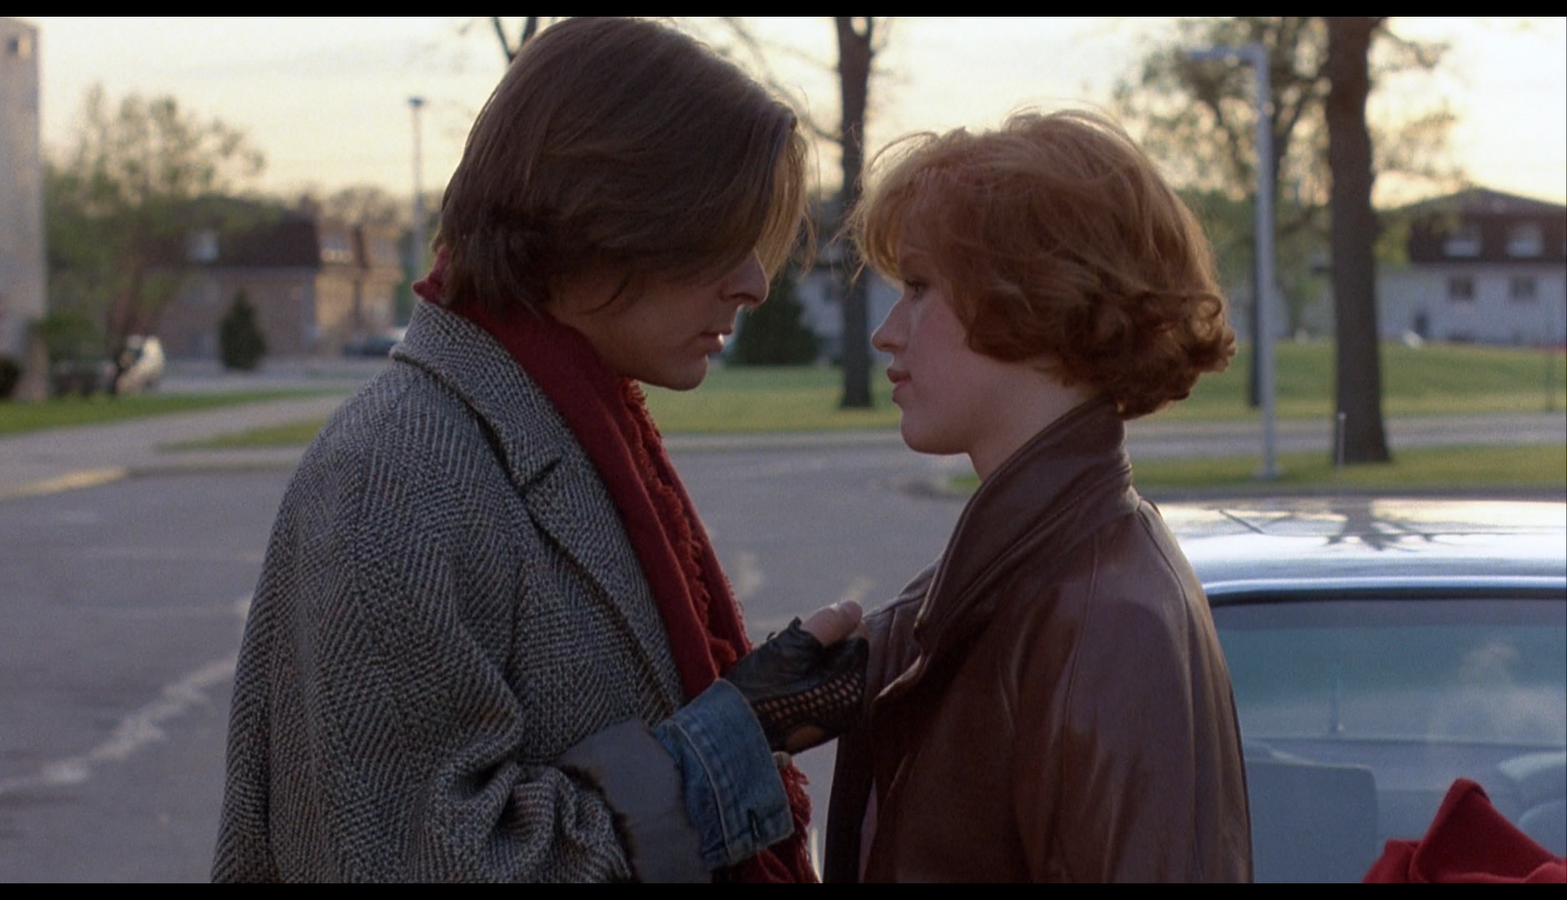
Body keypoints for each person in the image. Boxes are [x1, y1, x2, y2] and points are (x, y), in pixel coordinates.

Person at [213, 17, 866, 883]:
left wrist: (757, 718)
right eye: (716, 236)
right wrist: (724, 751)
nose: (754, 282)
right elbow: (419, 864)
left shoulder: (570, 427)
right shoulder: (401, 470)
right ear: (590, 220)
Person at [823, 110, 1252, 882]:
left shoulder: (1102, 617)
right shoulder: (1029, 575)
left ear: (1033, 296)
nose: (887, 331)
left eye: (918, 288)